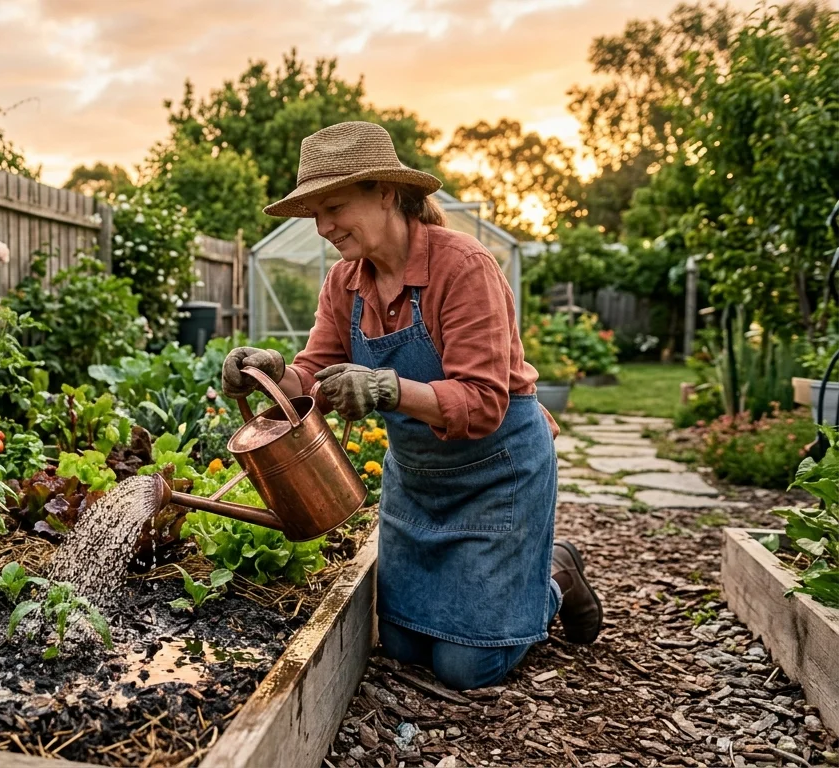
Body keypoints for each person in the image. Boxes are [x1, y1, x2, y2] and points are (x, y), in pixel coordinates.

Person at [221, 121, 602, 691]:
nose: (323, 227)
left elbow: (483, 402)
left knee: (468, 667)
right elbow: (316, 374)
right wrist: (274, 373)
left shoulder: (463, 267)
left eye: (334, 206)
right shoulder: (344, 282)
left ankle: (554, 577)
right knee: (401, 646)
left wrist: (386, 388)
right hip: (420, 480)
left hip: (498, 473)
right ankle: (508, 591)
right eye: (315, 214)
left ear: (386, 193)